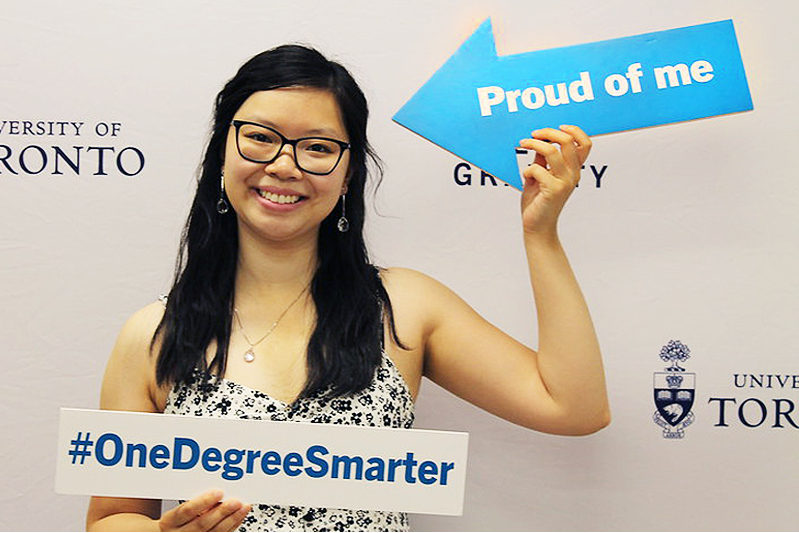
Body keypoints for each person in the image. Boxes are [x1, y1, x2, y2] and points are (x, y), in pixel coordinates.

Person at [86, 44, 609, 532]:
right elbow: (109, 518)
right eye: (260, 137)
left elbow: (572, 407)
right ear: (222, 151)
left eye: (317, 147)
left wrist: (540, 236)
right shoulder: (154, 334)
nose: (284, 165)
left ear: (348, 172)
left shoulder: (404, 307)